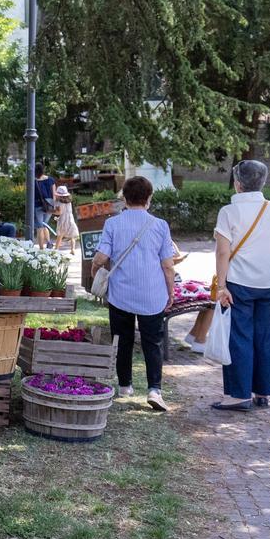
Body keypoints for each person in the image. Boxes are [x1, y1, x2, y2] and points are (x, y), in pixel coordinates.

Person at [212, 160, 270, 411]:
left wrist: (221, 286)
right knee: (268, 337)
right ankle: (263, 391)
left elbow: (222, 253)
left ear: (237, 184)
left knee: (239, 337)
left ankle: (238, 395)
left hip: (239, 283)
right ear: (263, 182)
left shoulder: (228, 212)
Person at [90, 176, 176, 412]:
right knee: (153, 341)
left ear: (124, 198)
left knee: (123, 339)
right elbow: (168, 265)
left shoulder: (113, 224)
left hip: (121, 294)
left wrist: (94, 271)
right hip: (152, 294)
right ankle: (154, 389)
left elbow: (100, 258)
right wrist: (171, 291)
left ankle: (126, 386)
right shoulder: (159, 225)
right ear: (149, 198)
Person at [33, 163, 57, 248]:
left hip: (37, 205)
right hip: (49, 205)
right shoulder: (51, 180)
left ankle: (41, 249)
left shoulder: (33, 181)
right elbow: (54, 194)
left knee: (40, 227)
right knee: (45, 224)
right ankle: (49, 242)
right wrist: (54, 206)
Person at [53, 185, 80, 252]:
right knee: (72, 235)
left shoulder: (59, 203)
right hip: (70, 218)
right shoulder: (69, 201)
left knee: (60, 235)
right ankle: (72, 249)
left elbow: (59, 212)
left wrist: (52, 212)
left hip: (62, 219)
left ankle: (56, 248)